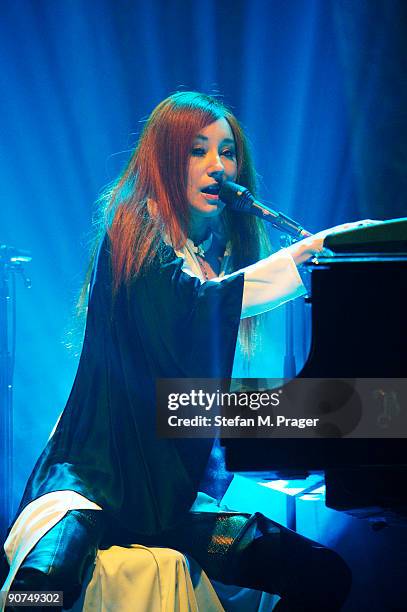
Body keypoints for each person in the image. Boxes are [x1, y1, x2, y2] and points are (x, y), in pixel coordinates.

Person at [1, 92, 352, 611]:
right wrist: (300, 259)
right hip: (94, 481)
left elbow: (186, 399)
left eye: (227, 152)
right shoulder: (131, 228)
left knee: (321, 574)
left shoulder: (203, 263)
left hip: (169, 499)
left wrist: (330, 413)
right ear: (164, 157)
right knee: (44, 587)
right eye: (197, 150)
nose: (218, 166)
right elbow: (190, 310)